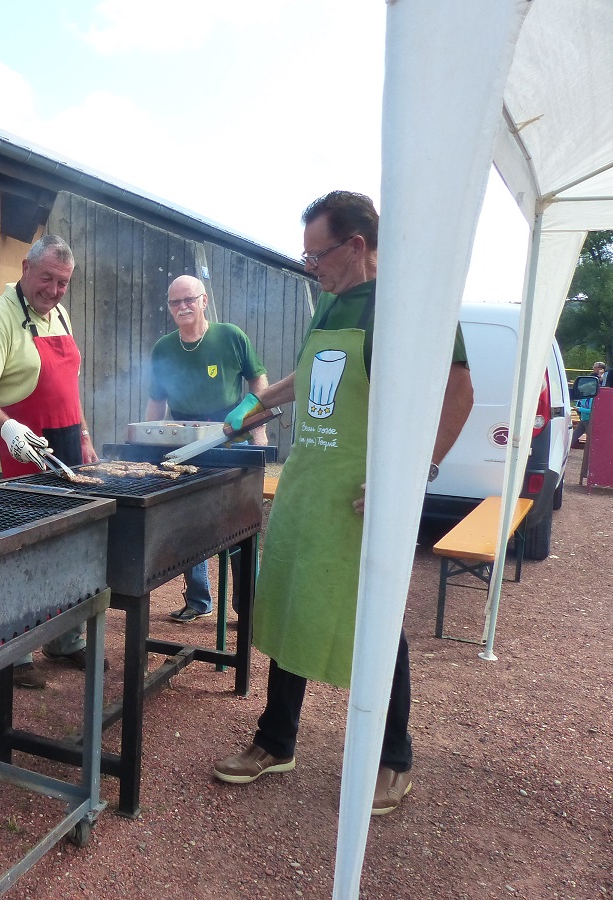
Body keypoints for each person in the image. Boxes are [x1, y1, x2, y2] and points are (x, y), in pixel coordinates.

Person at [211, 191, 474, 816]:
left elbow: (459, 392)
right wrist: (257, 406)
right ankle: (276, 742)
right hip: (312, 482)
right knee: (296, 603)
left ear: (356, 246)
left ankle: (394, 759)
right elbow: (310, 375)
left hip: (365, 493)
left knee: (375, 621)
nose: (311, 267)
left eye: (317, 254)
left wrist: (413, 476)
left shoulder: (410, 302)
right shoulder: (332, 301)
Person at [0, 234, 100, 689]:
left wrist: (83, 435)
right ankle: (12, 651)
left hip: (62, 450)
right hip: (12, 455)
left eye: (63, 282)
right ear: (25, 268)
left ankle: (66, 640)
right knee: (16, 554)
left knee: (66, 548)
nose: (55, 290)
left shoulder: (60, 313)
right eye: (47, 279)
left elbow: (69, 388)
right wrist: (8, 428)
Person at [145, 274, 269, 623]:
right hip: (184, 441)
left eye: (189, 299)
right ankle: (199, 600)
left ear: (203, 301)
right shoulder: (163, 348)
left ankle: (249, 608)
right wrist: (145, 442)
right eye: (175, 302)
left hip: (231, 437)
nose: (182, 307)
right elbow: (156, 401)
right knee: (190, 522)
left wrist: (258, 438)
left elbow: (257, 380)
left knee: (239, 525)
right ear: (169, 308)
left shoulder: (231, 336)